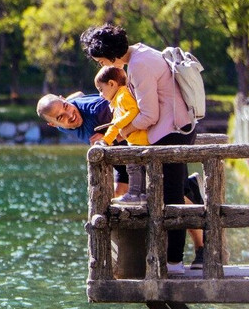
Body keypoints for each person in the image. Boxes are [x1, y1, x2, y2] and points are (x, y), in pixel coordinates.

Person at [36, 89, 205, 268]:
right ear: (53, 125)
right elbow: (77, 94)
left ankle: (200, 248)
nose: (69, 114)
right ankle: (124, 261)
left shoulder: (99, 109)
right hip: (120, 155)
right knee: (116, 198)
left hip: (144, 144)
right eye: (60, 117)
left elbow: (134, 113)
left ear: (63, 99)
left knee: (175, 196)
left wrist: (110, 135)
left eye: (66, 107)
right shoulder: (66, 109)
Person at [80, 24, 197, 274]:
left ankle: (174, 263)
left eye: (101, 61)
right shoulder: (142, 53)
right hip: (173, 130)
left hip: (171, 134)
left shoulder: (139, 65)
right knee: (171, 196)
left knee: (171, 200)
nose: (103, 67)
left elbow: (148, 115)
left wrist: (123, 131)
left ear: (111, 54)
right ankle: (173, 259)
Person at [94, 65, 147, 203]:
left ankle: (135, 194)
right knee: (137, 167)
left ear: (111, 84)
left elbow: (133, 110)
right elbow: (114, 125)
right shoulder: (117, 100)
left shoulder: (123, 95)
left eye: (101, 90)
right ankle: (140, 195)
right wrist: (106, 140)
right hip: (135, 140)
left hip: (139, 139)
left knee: (133, 167)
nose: (100, 94)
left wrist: (119, 124)